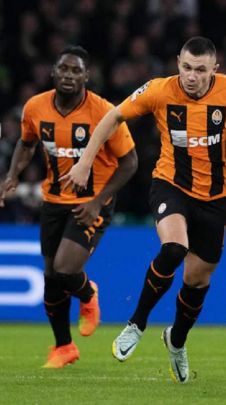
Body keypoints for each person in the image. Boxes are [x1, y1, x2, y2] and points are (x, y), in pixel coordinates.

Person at [61, 37, 226, 383]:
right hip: (171, 185)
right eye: (186, 67)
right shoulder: (160, 90)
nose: (192, 76)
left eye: (200, 70)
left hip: (215, 198)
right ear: (178, 62)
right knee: (174, 247)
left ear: (215, 69)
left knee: (197, 280)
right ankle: (137, 323)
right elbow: (113, 115)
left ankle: (176, 339)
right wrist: (86, 161)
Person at [0, 45, 137, 368]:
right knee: (51, 278)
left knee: (64, 269)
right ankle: (64, 347)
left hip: (90, 203)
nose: (69, 75)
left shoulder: (104, 112)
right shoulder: (35, 107)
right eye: (64, 69)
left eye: (76, 70)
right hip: (53, 200)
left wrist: (98, 202)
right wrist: (12, 175)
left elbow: (130, 162)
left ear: (86, 77)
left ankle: (88, 294)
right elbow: (26, 143)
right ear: (53, 72)